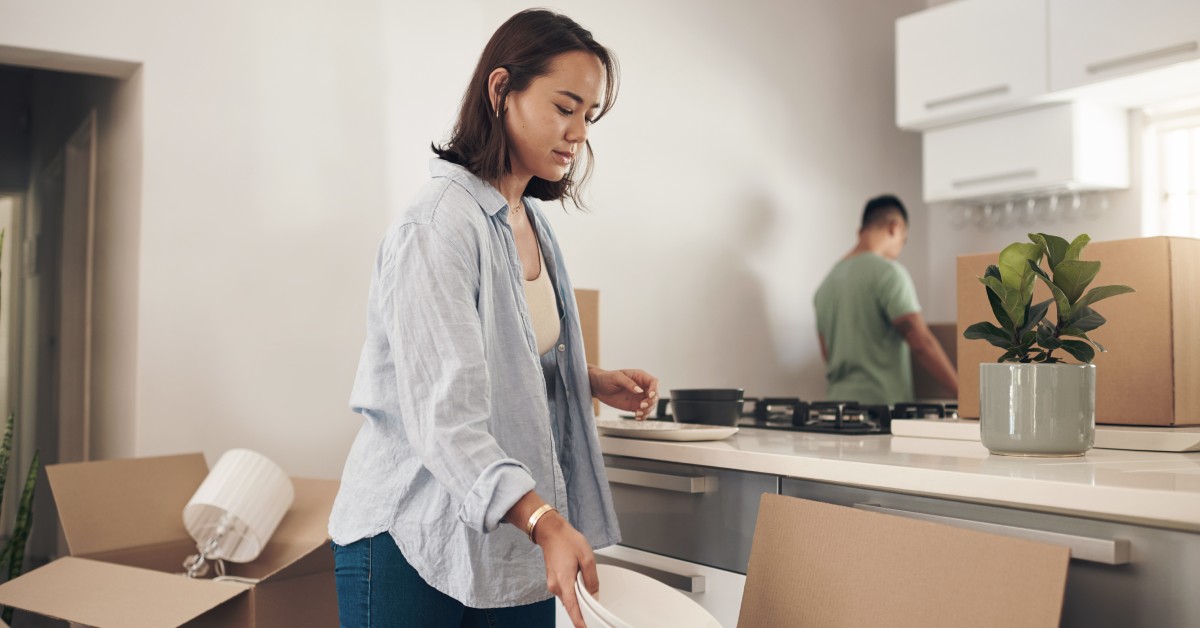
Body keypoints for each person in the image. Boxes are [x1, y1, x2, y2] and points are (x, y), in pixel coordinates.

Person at [328, 10, 658, 628]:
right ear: (501, 89)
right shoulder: (437, 226)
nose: (578, 131)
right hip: (412, 536)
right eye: (565, 106)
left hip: (504, 545)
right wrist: (545, 519)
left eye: (589, 115)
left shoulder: (530, 224)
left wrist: (585, 377)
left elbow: (499, 349)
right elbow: (444, 413)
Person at [813, 194, 957, 405]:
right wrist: (964, 393)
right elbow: (921, 343)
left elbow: (828, 355)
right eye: (903, 241)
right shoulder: (888, 273)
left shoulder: (825, 285)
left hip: (836, 410)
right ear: (895, 227)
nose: (899, 250)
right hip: (880, 412)